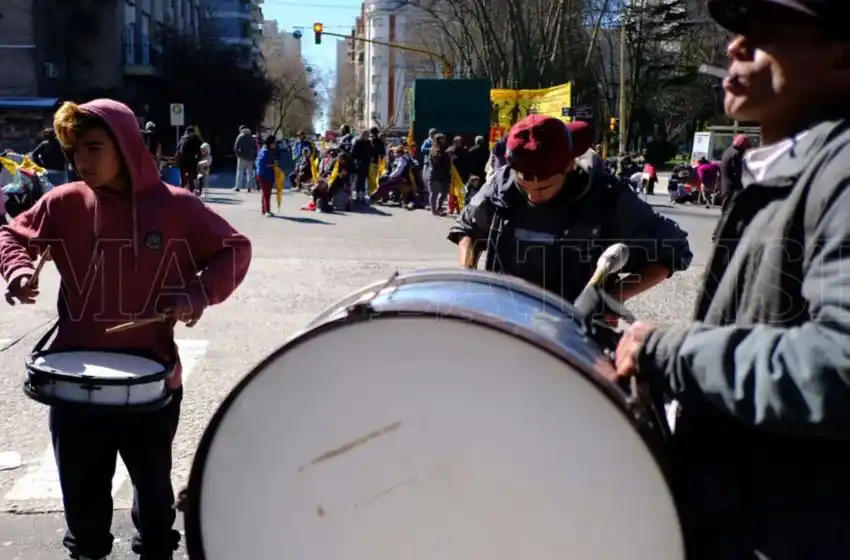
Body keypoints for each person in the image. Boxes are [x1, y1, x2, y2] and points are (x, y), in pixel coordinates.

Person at [612, 1, 850, 557]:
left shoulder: (840, 175)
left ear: (843, 52)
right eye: (738, 31)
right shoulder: (786, 169)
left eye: (766, 32)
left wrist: (671, 352)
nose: (734, 47)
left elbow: (839, 365)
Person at [0, 99, 251, 560]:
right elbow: (11, 234)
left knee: (155, 504)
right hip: (74, 385)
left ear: (127, 146)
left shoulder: (176, 207)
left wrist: (197, 294)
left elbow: (234, 248)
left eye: (94, 148)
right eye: (76, 151)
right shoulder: (63, 201)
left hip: (153, 383)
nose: (82, 162)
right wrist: (17, 271)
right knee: (82, 512)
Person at [448, 115, 691, 305]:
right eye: (525, 187)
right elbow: (467, 228)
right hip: (506, 323)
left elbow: (673, 251)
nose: (534, 196)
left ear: (568, 165)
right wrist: (467, 277)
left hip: (575, 332)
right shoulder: (502, 186)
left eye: (544, 187)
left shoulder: (608, 197)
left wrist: (614, 297)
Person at [718, 133, 751, 210]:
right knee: (731, 205)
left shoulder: (728, 150)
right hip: (733, 184)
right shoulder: (736, 154)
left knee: (728, 203)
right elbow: (738, 171)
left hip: (726, 182)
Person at [427, 133, 451, 216]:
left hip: (445, 174)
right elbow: (435, 163)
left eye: (444, 139)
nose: (443, 140)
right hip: (436, 175)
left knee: (444, 192)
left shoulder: (446, 149)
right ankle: (434, 211)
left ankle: (439, 207)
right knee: (434, 193)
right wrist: (443, 154)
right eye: (441, 139)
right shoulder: (434, 150)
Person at [255, 135, 277, 217]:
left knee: (265, 193)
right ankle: (267, 210)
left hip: (265, 175)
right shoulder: (265, 152)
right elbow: (263, 164)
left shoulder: (265, 150)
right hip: (264, 175)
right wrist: (273, 165)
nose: (275, 144)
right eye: (274, 142)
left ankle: (264, 210)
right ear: (270, 143)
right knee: (266, 194)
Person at [175, 126, 201, 193]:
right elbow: (198, 151)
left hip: (182, 160)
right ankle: (191, 192)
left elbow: (177, 149)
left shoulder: (182, 138)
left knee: (183, 178)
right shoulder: (195, 139)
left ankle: (181, 192)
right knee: (190, 178)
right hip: (191, 161)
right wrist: (198, 161)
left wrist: (177, 159)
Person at [233, 126, 257, 193]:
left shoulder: (240, 137)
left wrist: (238, 155)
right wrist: (254, 156)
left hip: (242, 157)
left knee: (240, 172)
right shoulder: (251, 137)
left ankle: (238, 187)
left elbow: (236, 147)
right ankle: (249, 187)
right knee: (249, 173)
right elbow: (255, 148)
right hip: (250, 157)